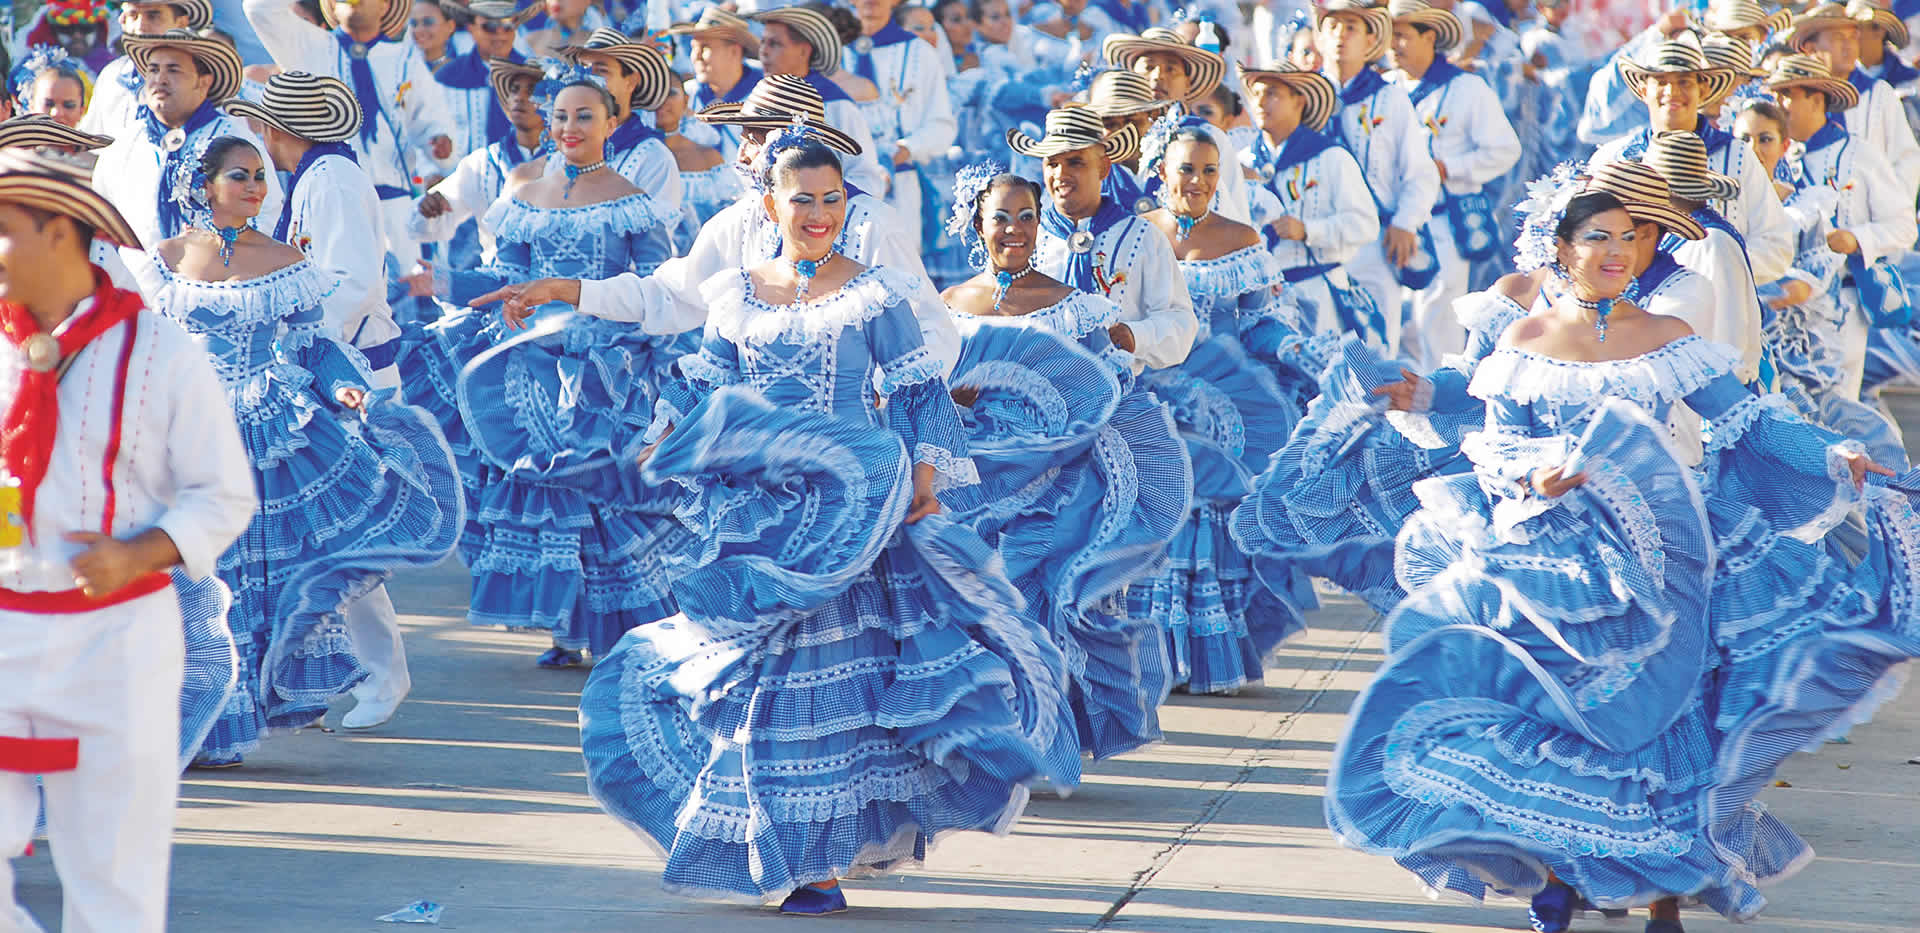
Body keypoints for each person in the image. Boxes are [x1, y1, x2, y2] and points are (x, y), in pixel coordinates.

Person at [1324, 159, 1920, 933]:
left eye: (1633, 237)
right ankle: (1558, 876)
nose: (1619, 251)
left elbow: (1749, 420)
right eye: (1600, 237)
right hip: (1552, 552)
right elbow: (1496, 445)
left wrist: (1834, 456)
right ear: (1561, 249)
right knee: (1554, 714)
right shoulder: (1526, 336)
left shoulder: (1670, 335)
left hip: (1661, 548)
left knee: (1665, 716)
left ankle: (1665, 893)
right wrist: (1539, 476)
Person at [578, 136, 1067, 915]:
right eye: (800, 198)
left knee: (824, 684)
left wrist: (926, 482)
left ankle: (817, 861)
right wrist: (663, 440)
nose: (818, 214)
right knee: (748, 683)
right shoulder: (736, 292)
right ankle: (781, 844)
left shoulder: (876, 294)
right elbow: (708, 380)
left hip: (854, 513)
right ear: (768, 203)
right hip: (763, 512)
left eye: (832, 198)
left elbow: (914, 395)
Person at [131, 135, 459, 764]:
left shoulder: (285, 259)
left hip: (264, 433)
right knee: (187, 575)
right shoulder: (164, 260)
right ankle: (182, 715)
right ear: (205, 185)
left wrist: (345, 389)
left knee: (249, 579)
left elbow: (315, 346)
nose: (255, 187)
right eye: (239, 176)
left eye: (259, 175)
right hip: (184, 432)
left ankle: (229, 723)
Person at [0, 146, 254, 933]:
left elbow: (225, 494)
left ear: (58, 233)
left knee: (115, 876)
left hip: (115, 639)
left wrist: (137, 553)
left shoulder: (160, 353)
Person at [398, 66, 681, 666]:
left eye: (584, 116)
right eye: (560, 116)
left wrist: (624, 335)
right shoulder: (524, 192)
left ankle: (616, 630)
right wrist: (445, 281)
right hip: (533, 361)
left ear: (612, 123)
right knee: (546, 486)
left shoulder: (633, 203)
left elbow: (656, 286)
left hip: (605, 366)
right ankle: (565, 626)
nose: (570, 127)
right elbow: (509, 280)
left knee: (603, 494)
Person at [475, 74, 962, 378]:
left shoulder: (874, 223)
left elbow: (932, 333)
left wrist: (878, 397)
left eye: (753, 137)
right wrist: (564, 289)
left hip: (852, 444)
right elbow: (667, 297)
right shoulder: (740, 221)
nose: (743, 153)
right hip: (757, 436)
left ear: (792, 145)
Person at [942, 165, 1189, 763]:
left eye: (1027, 217)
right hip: (968, 482)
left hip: (1053, 487)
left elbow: (1108, 393)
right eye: (1000, 217)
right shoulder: (946, 304)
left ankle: (1044, 740)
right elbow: (919, 393)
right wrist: (955, 394)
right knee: (972, 607)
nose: (1015, 230)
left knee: (1037, 606)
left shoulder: (1076, 307)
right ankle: (990, 744)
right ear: (977, 224)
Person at [223, 72, 436, 728]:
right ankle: (322, 673)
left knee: (343, 533)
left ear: (279, 130)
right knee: (316, 536)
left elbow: (354, 284)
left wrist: (291, 330)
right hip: (319, 370)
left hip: (347, 373)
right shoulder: (314, 178)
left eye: (263, 124)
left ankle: (381, 672)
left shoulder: (333, 179)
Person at [1132, 127, 1312, 695]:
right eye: (1187, 169)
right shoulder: (1137, 235)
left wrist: (1292, 350)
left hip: (1223, 407)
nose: (1199, 182)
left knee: (1209, 518)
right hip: (1154, 397)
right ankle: (1155, 654)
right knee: (1155, 519)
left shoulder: (1240, 238)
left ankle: (1206, 658)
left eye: (1211, 171)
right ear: (1161, 171)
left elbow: (1262, 320)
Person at [244, 0, 457, 271]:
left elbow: (430, 123)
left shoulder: (404, 58)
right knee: (335, 285)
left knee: (407, 293)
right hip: (329, 196)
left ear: (386, 6)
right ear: (331, 7)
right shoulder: (311, 45)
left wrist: (439, 144)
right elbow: (258, 9)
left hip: (393, 202)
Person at [1589, 35, 1795, 289]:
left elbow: (1776, 245)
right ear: (1643, 90)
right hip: (1629, 312)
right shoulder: (1614, 157)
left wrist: (1710, 269)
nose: (1672, 92)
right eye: (1661, 81)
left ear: (1704, 90)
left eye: (1684, 82)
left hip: (1716, 309)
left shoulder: (1738, 156)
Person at [1768, 53, 1917, 402]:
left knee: (1838, 404)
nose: (1779, 104)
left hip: (1844, 305)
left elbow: (1902, 225)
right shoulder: (1779, 156)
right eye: (1776, 95)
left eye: (1788, 95)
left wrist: (1855, 238)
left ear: (1817, 99)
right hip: (1786, 307)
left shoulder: (1859, 154)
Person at [1015, 106, 1198, 373]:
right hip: (1040, 391)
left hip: (1120, 397)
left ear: (1103, 167)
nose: (1060, 174)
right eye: (1052, 163)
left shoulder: (1142, 236)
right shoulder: (1026, 237)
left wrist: (1136, 335)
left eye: (1075, 162)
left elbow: (1180, 322)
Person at [1386, 0, 1519, 367]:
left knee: (1437, 326)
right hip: (1390, 225)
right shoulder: (1383, 91)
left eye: (1402, 35)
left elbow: (1505, 150)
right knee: (1394, 328)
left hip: (1443, 221)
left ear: (1429, 37)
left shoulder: (1465, 88)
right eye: (1389, 35)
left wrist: (1448, 167)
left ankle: (1440, 413)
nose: (1392, 45)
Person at [1315, 0, 1442, 350]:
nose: (1341, 35)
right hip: (1314, 240)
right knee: (1318, 344)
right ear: (1319, 37)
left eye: (1352, 27)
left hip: (1374, 238)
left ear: (1371, 40)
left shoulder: (1389, 99)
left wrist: (1406, 222)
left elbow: (1419, 171)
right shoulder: (1303, 99)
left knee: (1374, 343)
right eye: (1333, 26)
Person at [92, 29, 283, 257]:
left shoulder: (233, 140)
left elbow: (267, 212)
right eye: (153, 70)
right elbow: (101, 214)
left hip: (217, 280)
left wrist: (227, 261)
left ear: (204, 82)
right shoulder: (126, 142)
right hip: (138, 282)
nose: (160, 79)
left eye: (173, 70)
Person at [1239, 64, 1379, 340]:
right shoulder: (1239, 163)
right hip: (1262, 305)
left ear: (1299, 100)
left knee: (1336, 378)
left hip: (1321, 293)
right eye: (1255, 93)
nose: (1260, 102)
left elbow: (1365, 224)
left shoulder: (1330, 157)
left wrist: (1308, 230)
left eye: (1272, 93)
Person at [1103, 27, 1257, 225]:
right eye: (1149, 67)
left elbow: (1235, 217)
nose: (1158, 76)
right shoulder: (1109, 134)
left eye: (1171, 69)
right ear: (1131, 75)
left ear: (1188, 84)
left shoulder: (1209, 137)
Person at [413, 58, 547, 272]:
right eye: (514, 89)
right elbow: (425, 227)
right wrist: (429, 207)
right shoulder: (483, 163)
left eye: (532, 90)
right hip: (498, 282)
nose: (521, 97)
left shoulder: (568, 161)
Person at [845, 0, 960, 248]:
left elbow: (942, 124)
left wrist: (907, 149)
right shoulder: (831, 52)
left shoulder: (920, 52)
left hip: (901, 183)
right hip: (841, 185)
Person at [1784, 2, 1920, 202]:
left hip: (1874, 220)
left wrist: (1890, 209)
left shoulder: (1879, 93)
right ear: (1811, 49)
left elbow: (1906, 158)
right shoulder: (1796, 100)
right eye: (1839, 38)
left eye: (1853, 37)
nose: (1849, 45)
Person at [751, 6, 889, 193]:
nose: (764, 52)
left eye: (774, 44)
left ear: (804, 52)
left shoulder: (836, 105)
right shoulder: (757, 101)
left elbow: (866, 177)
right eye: (763, 42)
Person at [556, 28, 685, 216]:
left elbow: (657, 237)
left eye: (602, 70)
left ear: (631, 82)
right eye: (584, 69)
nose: (591, 78)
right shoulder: (563, 149)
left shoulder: (654, 159)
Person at [77, 0, 213, 135]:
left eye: (153, 16)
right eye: (133, 15)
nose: (141, 26)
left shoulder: (201, 78)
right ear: (122, 21)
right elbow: (93, 147)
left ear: (181, 23)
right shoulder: (111, 76)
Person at [429, 0, 535, 161]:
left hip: (525, 176)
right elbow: (428, 133)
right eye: (490, 26)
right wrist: (431, 172)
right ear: (471, 29)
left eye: (508, 25)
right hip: (461, 177)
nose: (500, 33)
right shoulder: (447, 77)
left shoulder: (537, 76)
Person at [669, 7, 763, 163]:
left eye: (705, 47)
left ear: (734, 51)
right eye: (693, 48)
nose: (696, 57)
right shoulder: (685, 94)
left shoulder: (762, 97)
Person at [11, 48, 94, 130]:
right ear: (31, 106)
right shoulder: (9, 143)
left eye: (69, 106)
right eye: (48, 104)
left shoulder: (96, 143)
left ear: (81, 111)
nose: (57, 113)